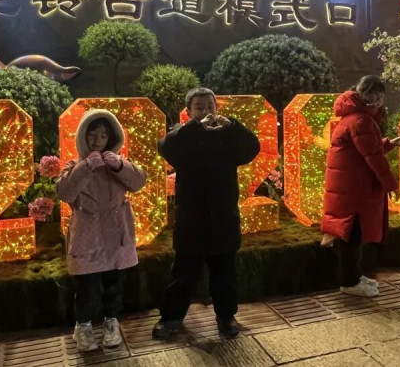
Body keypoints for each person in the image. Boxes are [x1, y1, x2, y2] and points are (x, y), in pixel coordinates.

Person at [152, 88, 260, 339]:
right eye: (199, 108)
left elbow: (252, 148)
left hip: (224, 217)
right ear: (189, 112)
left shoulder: (227, 136)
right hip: (192, 219)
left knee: (225, 274)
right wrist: (195, 127)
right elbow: (166, 147)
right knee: (183, 273)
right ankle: (171, 318)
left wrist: (233, 126)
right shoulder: (183, 134)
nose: (206, 112)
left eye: (210, 107)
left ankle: (226, 317)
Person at [57, 109, 147, 352]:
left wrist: (120, 166)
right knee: (87, 288)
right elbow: (64, 192)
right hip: (87, 234)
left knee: (114, 285)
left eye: (104, 135)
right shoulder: (73, 165)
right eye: (92, 134)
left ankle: (111, 321)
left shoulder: (117, 163)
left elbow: (139, 181)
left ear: (112, 138)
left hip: (117, 234)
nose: (97, 140)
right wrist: (85, 167)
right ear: (82, 136)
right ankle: (83, 326)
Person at [321, 75, 400, 297]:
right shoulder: (361, 120)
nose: (379, 100)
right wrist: (392, 185)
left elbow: (366, 148)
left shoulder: (352, 117)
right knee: (352, 235)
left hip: (348, 187)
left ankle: (354, 279)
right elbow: (373, 156)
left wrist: (388, 143)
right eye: (378, 95)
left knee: (350, 234)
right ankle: (349, 283)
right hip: (355, 189)